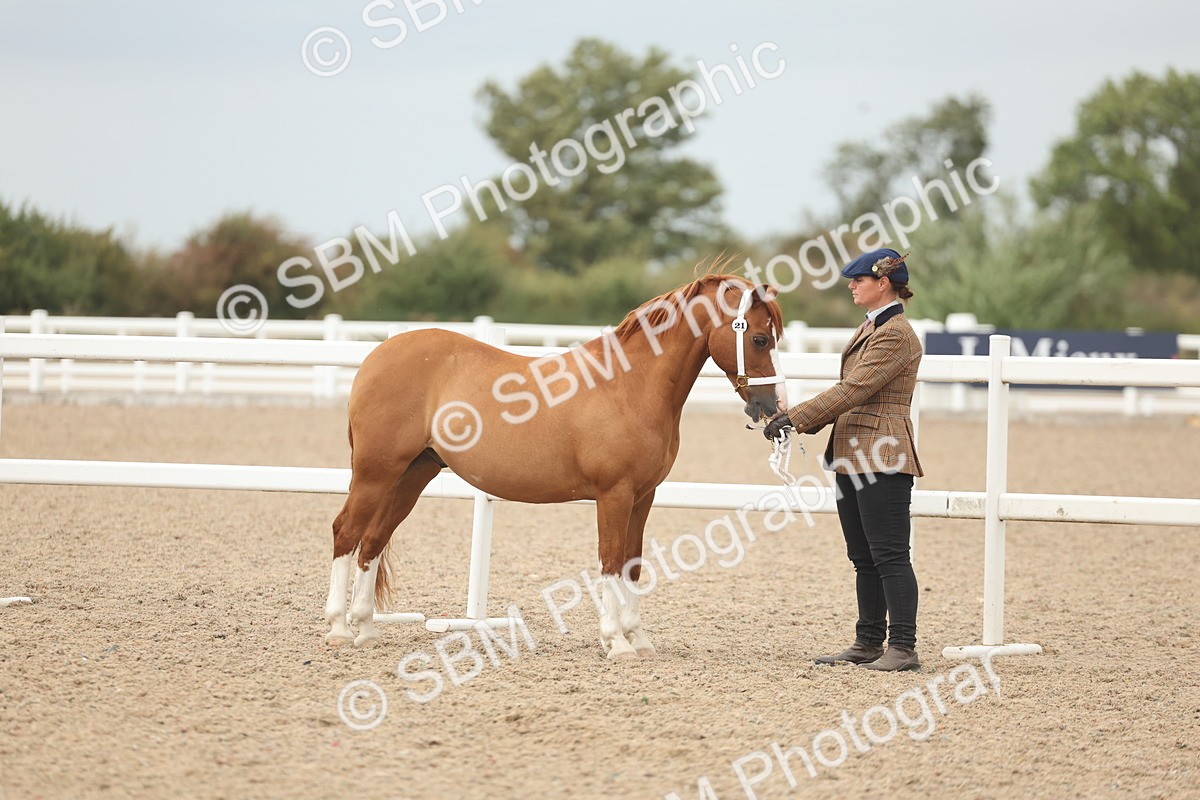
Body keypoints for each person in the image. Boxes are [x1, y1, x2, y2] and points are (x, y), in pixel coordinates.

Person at [764, 248, 924, 672]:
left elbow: (854, 389)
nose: (852, 286)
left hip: (883, 454)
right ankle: (869, 640)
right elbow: (850, 393)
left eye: (858, 280)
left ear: (883, 283)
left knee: (889, 554)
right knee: (863, 555)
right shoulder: (872, 328)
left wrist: (794, 419)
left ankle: (903, 646)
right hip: (853, 454)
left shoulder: (895, 335)